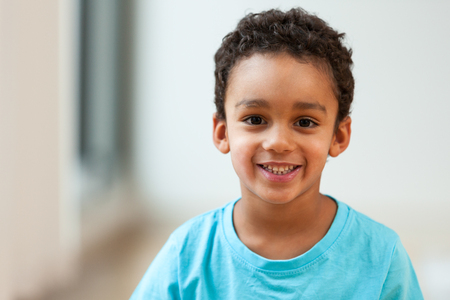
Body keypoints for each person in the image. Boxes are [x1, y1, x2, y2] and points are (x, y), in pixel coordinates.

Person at [130, 7, 423, 299]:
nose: (278, 143)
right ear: (222, 133)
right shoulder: (186, 257)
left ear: (338, 135)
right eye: (255, 119)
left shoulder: (382, 258)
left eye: (305, 122)